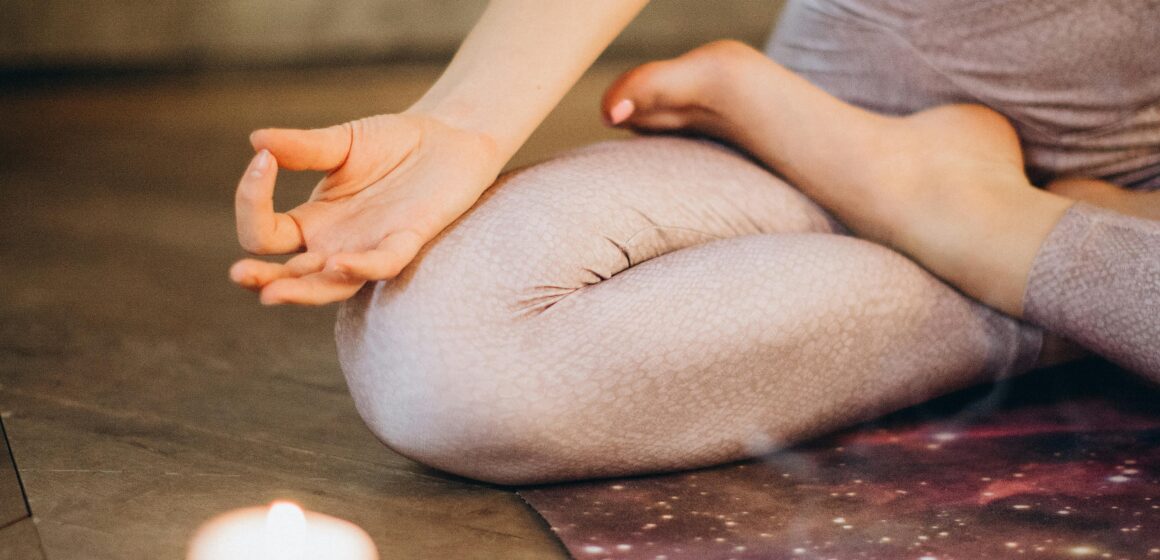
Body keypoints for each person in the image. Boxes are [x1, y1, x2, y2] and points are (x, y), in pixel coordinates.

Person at [228, 1, 1159, 484]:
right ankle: (1007, 231)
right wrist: (469, 122)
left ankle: (974, 217)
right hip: (820, 131)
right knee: (439, 360)